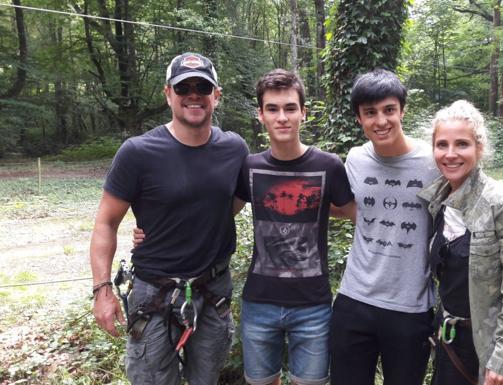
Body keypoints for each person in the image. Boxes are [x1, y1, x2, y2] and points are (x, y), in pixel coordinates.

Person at [90, 52, 249, 385]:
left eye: (202, 87)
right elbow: (106, 223)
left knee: (207, 378)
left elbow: (232, 203)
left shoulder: (234, 149)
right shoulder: (137, 152)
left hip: (212, 289)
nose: (193, 94)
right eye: (183, 87)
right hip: (153, 291)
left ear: (216, 96)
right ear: (167, 94)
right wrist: (102, 290)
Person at [235, 69, 353, 385]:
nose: (282, 117)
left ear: (303, 112)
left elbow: (356, 213)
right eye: (272, 109)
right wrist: (152, 230)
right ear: (260, 115)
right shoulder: (249, 166)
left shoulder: (328, 165)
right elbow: (218, 215)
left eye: (289, 108)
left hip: (312, 305)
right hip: (258, 302)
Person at [418, 100, 503, 385]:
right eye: (442, 145)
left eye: (462, 144)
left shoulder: (502, 203)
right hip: (451, 340)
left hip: (491, 346)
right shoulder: (437, 201)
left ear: (479, 148)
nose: (450, 154)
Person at [329, 69, 440, 385]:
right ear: (359, 119)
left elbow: (471, 194)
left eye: (389, 110)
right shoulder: (355, 159)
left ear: (402, 110)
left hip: (411, 306)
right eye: (370, 113)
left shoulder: (433, 162)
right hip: (354, 300)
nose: (381, 121)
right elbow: (349, 207)